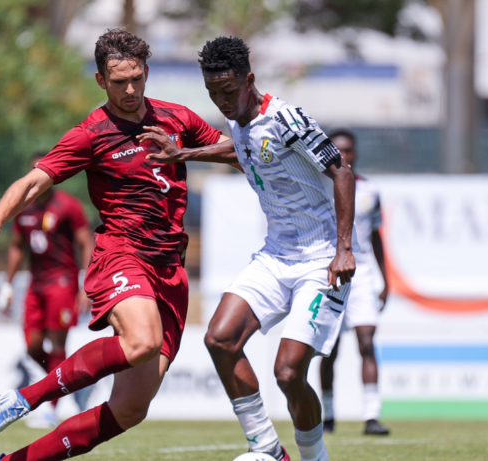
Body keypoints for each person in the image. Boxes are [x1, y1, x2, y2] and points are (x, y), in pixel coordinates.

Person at [0, 29, 237, 461]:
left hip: (171, 269)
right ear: (100, 80)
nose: (129, 90)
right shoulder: (91, 134)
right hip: (122, 255)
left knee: (130, 409)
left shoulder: (178, 118)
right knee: (142, 342)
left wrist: (184, 154)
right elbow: (36, 179)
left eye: (136, 79)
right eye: (118, 82)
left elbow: (237, 152)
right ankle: (24, 398)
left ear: (146, 72)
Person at [142, 36, 357, 461]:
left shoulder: (287, 117)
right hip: (276, 256)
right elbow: (241, 150)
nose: (222, 101)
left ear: (249, 79)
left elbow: (342, 172)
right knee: (220, 339)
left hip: (321, 262)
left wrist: (344, 249)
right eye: (213, 94)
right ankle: (266, 448)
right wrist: (182, 153)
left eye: (228, 91)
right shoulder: (240, 123)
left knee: (288, 372)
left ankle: (315, 457)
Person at [0, 151, 94, 427]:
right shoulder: (22, 208)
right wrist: (7, 284)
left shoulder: (68, 206)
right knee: (32, 347)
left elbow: (86, 241)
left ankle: (50, 407)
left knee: (57, 343)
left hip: (62, 282)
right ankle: (75, 384)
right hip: (35, 285)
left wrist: (86, 282)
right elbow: (17, 246)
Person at [319, 129, 390, 436]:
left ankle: (371, 416)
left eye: (347, 150)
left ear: (356, 153)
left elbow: (375, 236)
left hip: (361, 276)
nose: (343, 156)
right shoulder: (319, 187)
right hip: (329, 275)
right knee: (329, 349)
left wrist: (385, 279)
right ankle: (329, 414)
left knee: (366, 342)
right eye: (337, 151)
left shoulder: (370, 190)